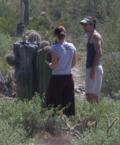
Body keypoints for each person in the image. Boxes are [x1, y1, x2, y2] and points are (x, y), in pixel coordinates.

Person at [45, 26, 77, 116]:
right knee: (68, 100)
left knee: (54, 101)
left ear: (56, 35)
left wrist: (49, 64)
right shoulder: (72, 46)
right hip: (68, 77)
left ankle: (54, 121)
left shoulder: (55, 48)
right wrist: (65, 68)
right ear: (65, 34)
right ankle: (69, 120)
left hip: (57, 77)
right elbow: (74, 63)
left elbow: (54, 65)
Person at [80, 16, 104, 103]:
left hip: (95, 68)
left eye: (86, 25)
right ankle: (93, 115)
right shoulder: (91, 36)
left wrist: (93, 69)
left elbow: (99, 53)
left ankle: (96, 115)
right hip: (91, 68)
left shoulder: (95, 36)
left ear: (92, 25)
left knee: (93, 96)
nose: (84, 27)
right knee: (89, 95)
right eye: (84, 25)